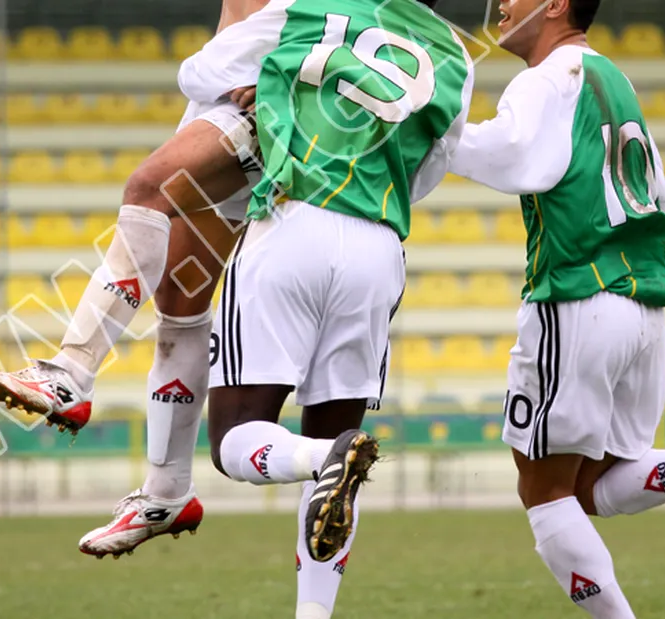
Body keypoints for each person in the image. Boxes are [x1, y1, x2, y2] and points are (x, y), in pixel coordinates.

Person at [450, 1, 665, 616]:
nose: (502, 4)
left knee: (543, 492)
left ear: (556, 4)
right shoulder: (614, 78)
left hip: (577, 296)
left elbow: (509, 155)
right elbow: (656, 192)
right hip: (641, 307)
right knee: (590, 488)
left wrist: (428, 125)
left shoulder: (545, 79)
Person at [178, 1, 472, 617]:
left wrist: (264, 89)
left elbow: (199, 75)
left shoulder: (311, 6)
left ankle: (322, 458)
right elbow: (433, 164)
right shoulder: (457, 55)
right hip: (379, 242)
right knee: (338, 433)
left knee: (235, 434)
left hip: (295, 219)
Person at [0, 0, 269, 557]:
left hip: (260, 96)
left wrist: (282, 74)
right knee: (181, 300)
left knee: (147, 188)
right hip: (225, 96)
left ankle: (72, 372)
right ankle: (167, 492)